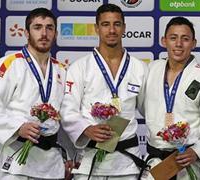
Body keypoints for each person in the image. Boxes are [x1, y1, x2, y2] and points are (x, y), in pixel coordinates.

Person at [60, 3, 148, 180]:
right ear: (96, 28)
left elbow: (151, 111)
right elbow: (67, 110)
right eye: (106, 24)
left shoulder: (140, 68)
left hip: (127, 163)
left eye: (117, 24)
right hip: (90, 161)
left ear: (124, 28)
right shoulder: (80, 67)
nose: (112, 30)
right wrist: (86, 129)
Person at [0, 8, 70, 180]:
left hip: (51, 164)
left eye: (49, 28)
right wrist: (18, 127)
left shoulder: (62, 70)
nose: (44, 33)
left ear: (56, 33)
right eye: (37, 27)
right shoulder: (9, 65)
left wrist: (72, 155)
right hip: (16, 163)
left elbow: (66, 116)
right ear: (26, 32)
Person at [142, 17, 200, 179]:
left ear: (194, 43)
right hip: (155, 162)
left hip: (186, 162)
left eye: (185, 39)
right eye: (173, 38)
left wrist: (197, 151)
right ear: (164, 41)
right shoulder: (151, 70)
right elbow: (144, 108)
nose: (178, 44)